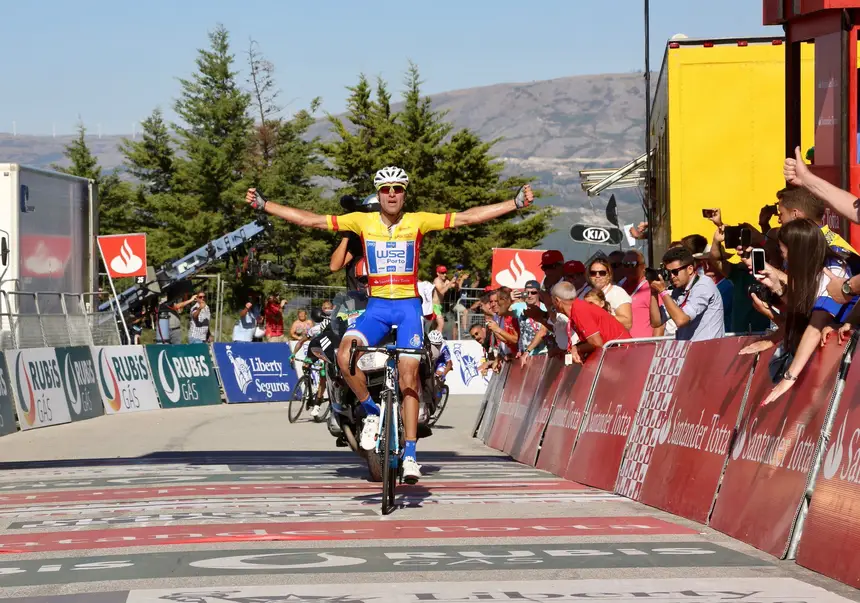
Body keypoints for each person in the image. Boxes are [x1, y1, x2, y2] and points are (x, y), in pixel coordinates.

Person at [245, 167, 533, 483]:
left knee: (409, 376)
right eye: (386, 189)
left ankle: (410, 455)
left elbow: (467, 217)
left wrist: (514, 203)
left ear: (404, 193)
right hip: (377, 309)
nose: (392, 193)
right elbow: (311, 219)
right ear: (379, 194)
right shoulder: (361, 221)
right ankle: (371, 412)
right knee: (344, 355)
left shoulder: (418, 221)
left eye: (397, 188)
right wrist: (265, 204)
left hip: (408, 308)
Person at [740, 219, 856, 405]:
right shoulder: (814, 265)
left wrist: (789, 377)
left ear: (796, 250)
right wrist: (777, 287)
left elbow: (815, 326)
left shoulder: (834, 269)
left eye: (783, 251)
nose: (783, 257)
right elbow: (804, 310)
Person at [649, 247, 725, 341]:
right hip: (689, 350)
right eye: (668, 273)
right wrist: (654, 293)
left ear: (689, 269)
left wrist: (663, 291)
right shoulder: (678, 290)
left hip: (708, 350)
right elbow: (656, 322)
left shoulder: (704, 286)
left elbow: (681, 320)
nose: (672, 277)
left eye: (675, 272)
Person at [549, 280, 631, 365]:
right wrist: (574, 348)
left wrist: (576, 349)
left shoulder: (579, 310)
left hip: (623, 353)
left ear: (557, 300)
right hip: (619, 352)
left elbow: (596, 343)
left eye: (552, 301)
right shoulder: (578, 307)